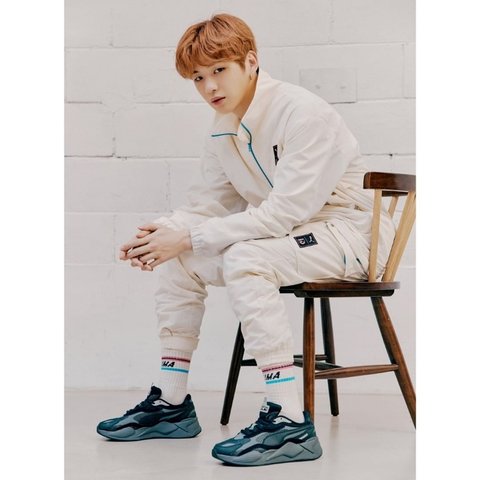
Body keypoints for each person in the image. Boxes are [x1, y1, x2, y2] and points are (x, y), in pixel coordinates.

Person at [96, 13, 395, 466]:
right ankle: (172, 403)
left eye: (219, 70)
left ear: (250, 62)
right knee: (182, 259)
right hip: (288, 239)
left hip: (346, 237)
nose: (209, 86)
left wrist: (190, 236)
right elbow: (207, 204)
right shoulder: (223, 126)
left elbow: (283, 212)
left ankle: (288, 418)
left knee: (244, 257)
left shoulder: (303, 113)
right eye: (198, 77)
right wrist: (163, 234)